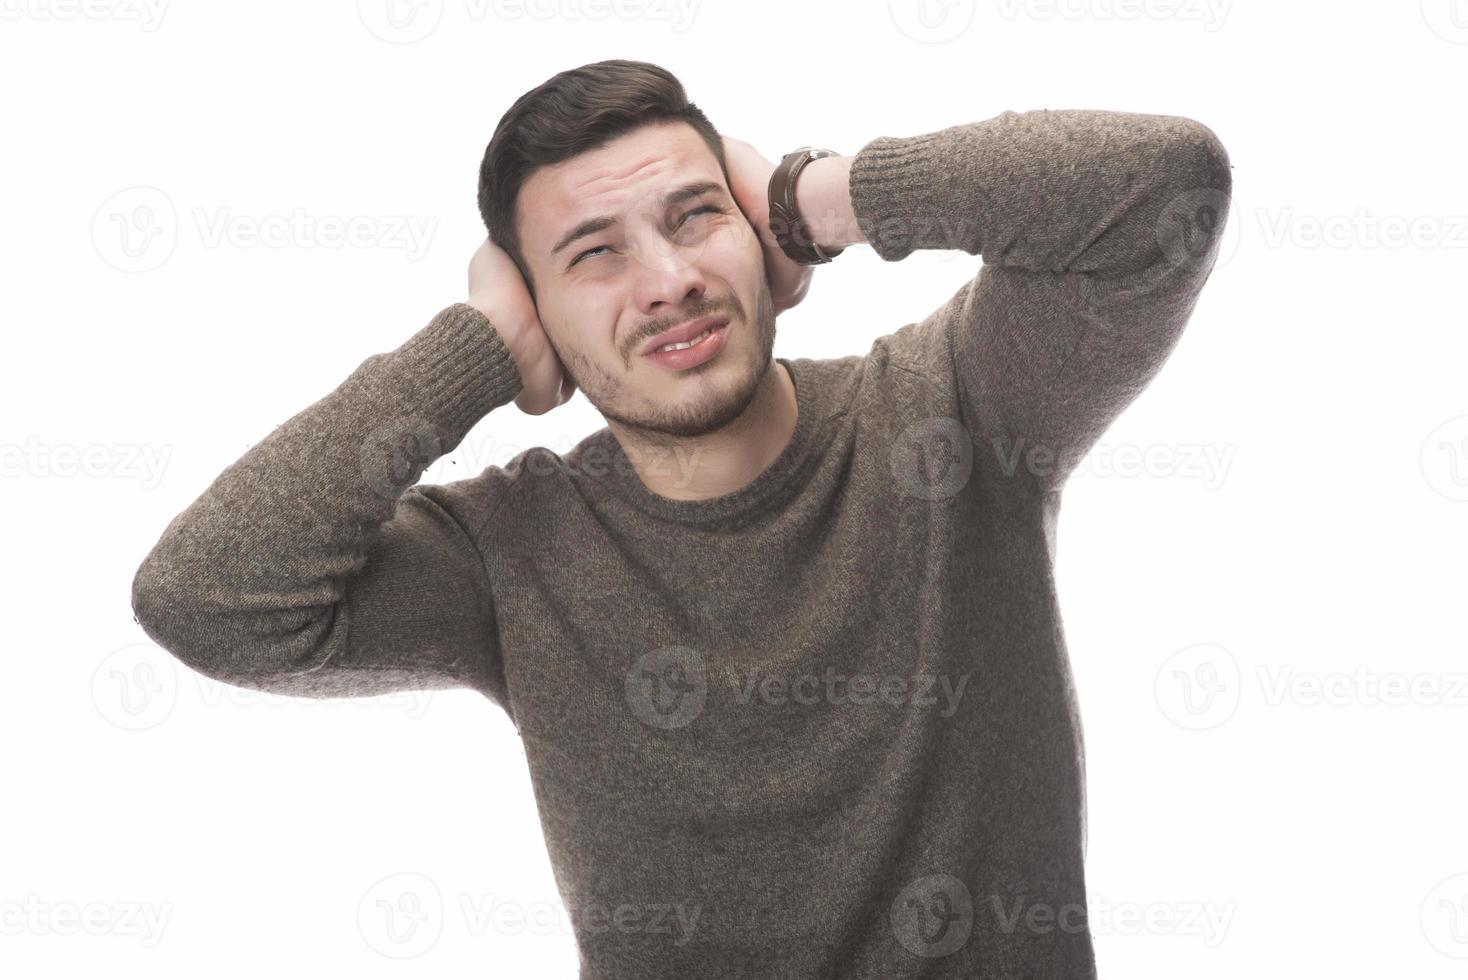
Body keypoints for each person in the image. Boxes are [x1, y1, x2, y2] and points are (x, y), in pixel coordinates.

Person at [130, 58, 1231, 979]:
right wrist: (467, 356)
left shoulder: (960, 408)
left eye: (695, 216)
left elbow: (1160, 185)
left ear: (758, 241)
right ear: (537, 316)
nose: (665, 280)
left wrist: (819, 197)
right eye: (593, 254)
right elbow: (206, 597)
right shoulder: (508, 551)